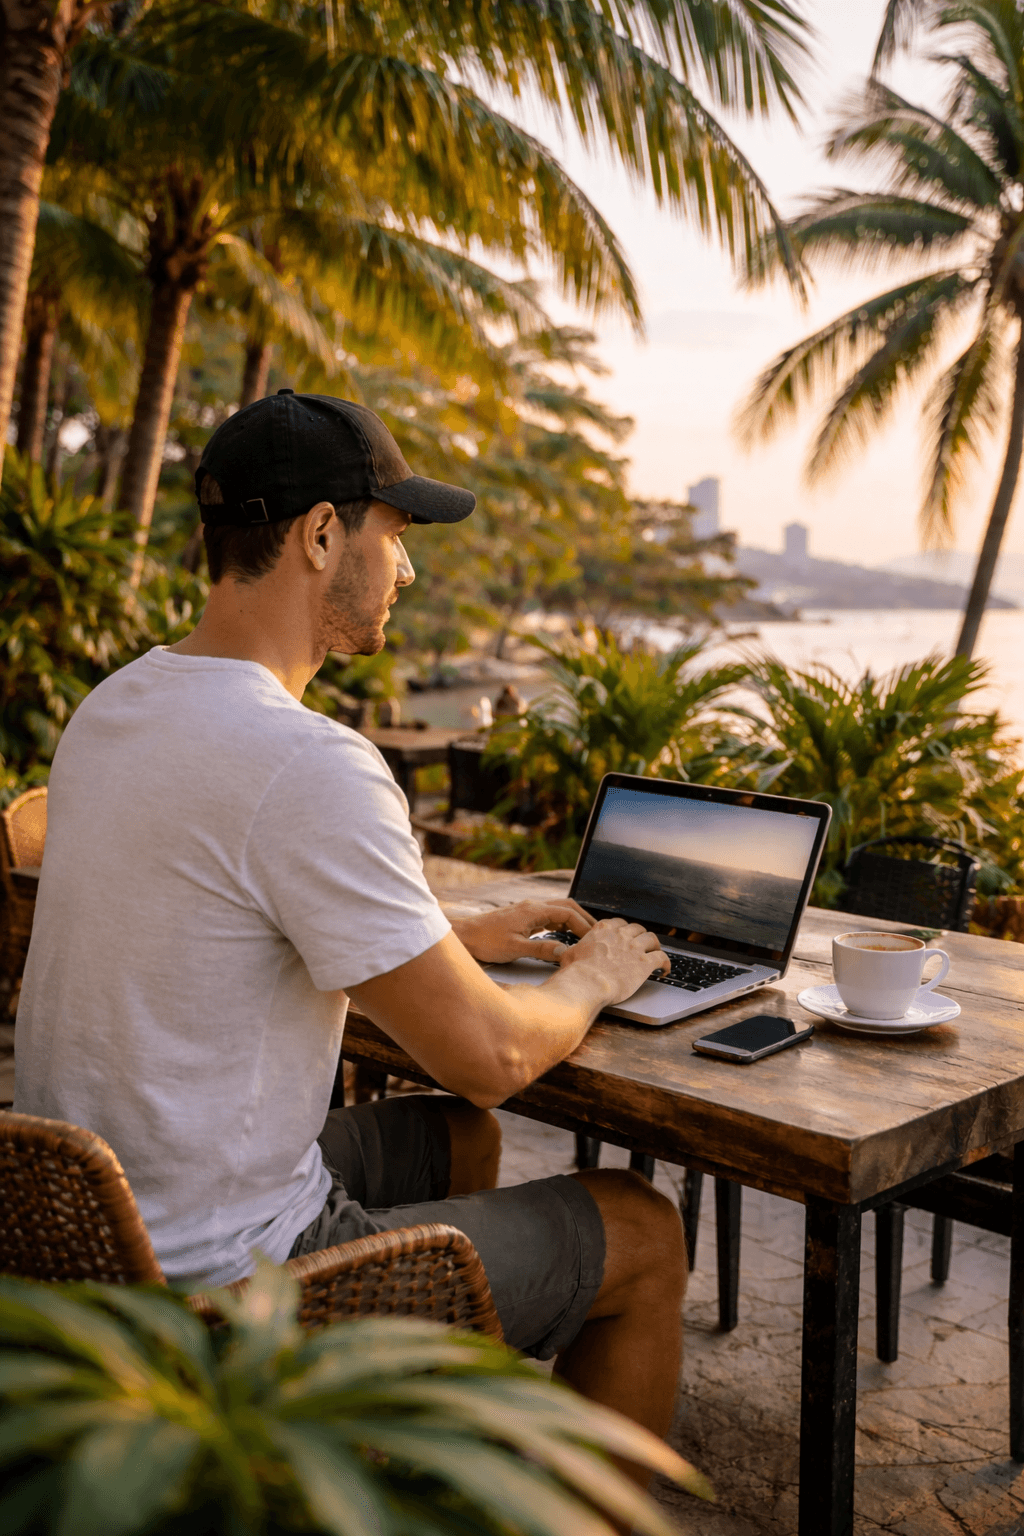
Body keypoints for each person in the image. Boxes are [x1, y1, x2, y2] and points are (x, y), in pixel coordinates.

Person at [14, 391, 685, 1474]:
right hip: (218, 1290)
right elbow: (496, 1057)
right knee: (643, 1233)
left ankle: (398, 1440)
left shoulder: (117, 706)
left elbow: (216, 899)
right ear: (324, 535)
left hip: (83, 1236)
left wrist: (451, 929)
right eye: (396, 534)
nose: (408, 571)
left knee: (453, 1139)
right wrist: (596, 975)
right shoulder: (308, 761)